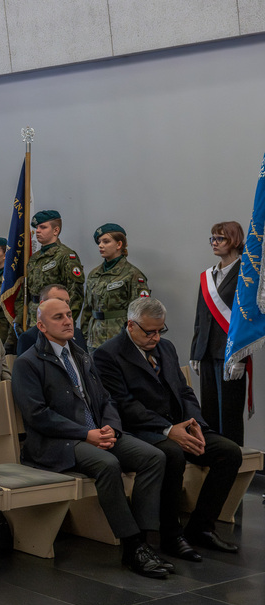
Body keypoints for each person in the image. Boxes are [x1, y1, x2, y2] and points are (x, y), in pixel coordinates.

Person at [12, 298, 170, 579]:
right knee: (108, 464)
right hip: (58, 443)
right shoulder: (29, 363)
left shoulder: (82, 354)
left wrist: (110, 428)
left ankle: (145, 541)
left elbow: (106, 398)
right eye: (58, 317)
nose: (67, 320)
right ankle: (132, 546)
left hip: (97, 433)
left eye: (69, 314)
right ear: (41, 326)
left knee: (153, 457)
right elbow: (37, 415)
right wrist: (85, 433)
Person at [94, 297, 242, 560]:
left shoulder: (166, 348)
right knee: (171, 454)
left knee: (228, 452)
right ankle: (171, 536)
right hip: (142, 431)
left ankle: (201, 528)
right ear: (131, 325)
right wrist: (168, 429)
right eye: (149, 332)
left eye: (161, 330)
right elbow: (125, 406)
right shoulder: (108, 354)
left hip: (179, 425)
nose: (156, 338)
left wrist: (196, 424)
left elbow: (184, 391)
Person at [191, 221, 246, 446]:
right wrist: (195, 351)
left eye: (220, 238)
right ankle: (214, 458)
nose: (214, 243)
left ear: (233, 240)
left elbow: (246, 318)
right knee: (209, 412)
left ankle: (234, 462)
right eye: (212, 238)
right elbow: (200, 318)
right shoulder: (208, 275)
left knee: (230, 414)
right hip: (206, 351)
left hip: (230, 352)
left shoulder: (247, 274)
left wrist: (241, 355)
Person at [81, 223, 150, 350]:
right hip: (94, 340)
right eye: (99, 242)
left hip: (119, 339)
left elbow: (140, 313)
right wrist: (85, 337)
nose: (100, 245)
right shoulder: (94, 274)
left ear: (119, 244)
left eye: (106, 241)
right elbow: (87, 309)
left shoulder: (132, 275)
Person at [20, 210, 84, 326]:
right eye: (37, 227)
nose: (37, 231)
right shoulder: (34, 257)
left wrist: (65, 320)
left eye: (43, 227)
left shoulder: (66, 256)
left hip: (54, 318)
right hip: (32, 318)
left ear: (56, 230)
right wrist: (20, 319)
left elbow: (75, 294)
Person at [16, 284, 88, 355]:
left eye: (67, 302)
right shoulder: (29, 338)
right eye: (58, 300)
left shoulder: (77, 334)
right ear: (42, 304)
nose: (64, 305)